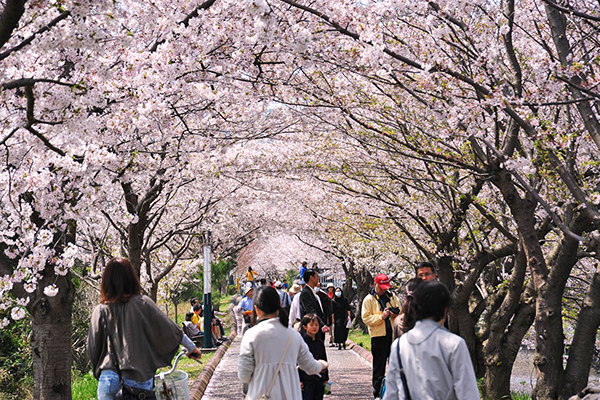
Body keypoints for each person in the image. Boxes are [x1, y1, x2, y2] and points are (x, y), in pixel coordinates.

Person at [87, 258, 201, 400]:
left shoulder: (100, 311)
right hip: (138, 376)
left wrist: (100, 368)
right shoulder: (143, 303)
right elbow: (170, 329)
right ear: (131, 278)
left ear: (106, 281)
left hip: (108, 379)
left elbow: (93, 348)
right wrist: (192, 348)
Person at [382, 280, 479, 400]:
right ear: (445, 309)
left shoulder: (399, 346)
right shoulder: (454, 344)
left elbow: (391, 394)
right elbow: (468, 394)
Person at [238, 286, 328, 400]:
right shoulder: (293, 335)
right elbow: (310, 366)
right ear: (280, 304)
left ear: (257, 309)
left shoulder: (251, 335)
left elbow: (244, 375)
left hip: (260, 395)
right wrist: (322, 364)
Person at [361, 273, 401, 399]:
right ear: (375, 284)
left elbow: (400, 309)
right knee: (379, 364)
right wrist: (381, 317)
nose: (384, 290)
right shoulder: (369, 299)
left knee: (395, 363)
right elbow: (366, 318)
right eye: (382, 287)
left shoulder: (392, 296)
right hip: (378, 336)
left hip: (393, 334)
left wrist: (395, 314)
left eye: (386, 287)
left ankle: (395, 390)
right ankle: (377, 392)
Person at [299, 314, 329, 400]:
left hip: (319, 378)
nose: (314, 327)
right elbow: (298, 362)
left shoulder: (319, 341)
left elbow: (324, 358)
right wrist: (299, 379)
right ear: (304, 327)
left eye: (316, 325)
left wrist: (326, 377)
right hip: (307, 378)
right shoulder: (302, 342)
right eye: (311, 325)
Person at [299, 270, 329, 340]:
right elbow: (311, 311)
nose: (318, 279)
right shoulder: (306, 293)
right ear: (311, 278)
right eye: (317, 277)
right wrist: (322, 324)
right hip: (310, 332)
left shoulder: (312, 292)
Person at [315, 282, 333, 346]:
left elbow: (328, 308)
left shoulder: (323, 295)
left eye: (318, 286)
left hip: (323, 316)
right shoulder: (310, 294)